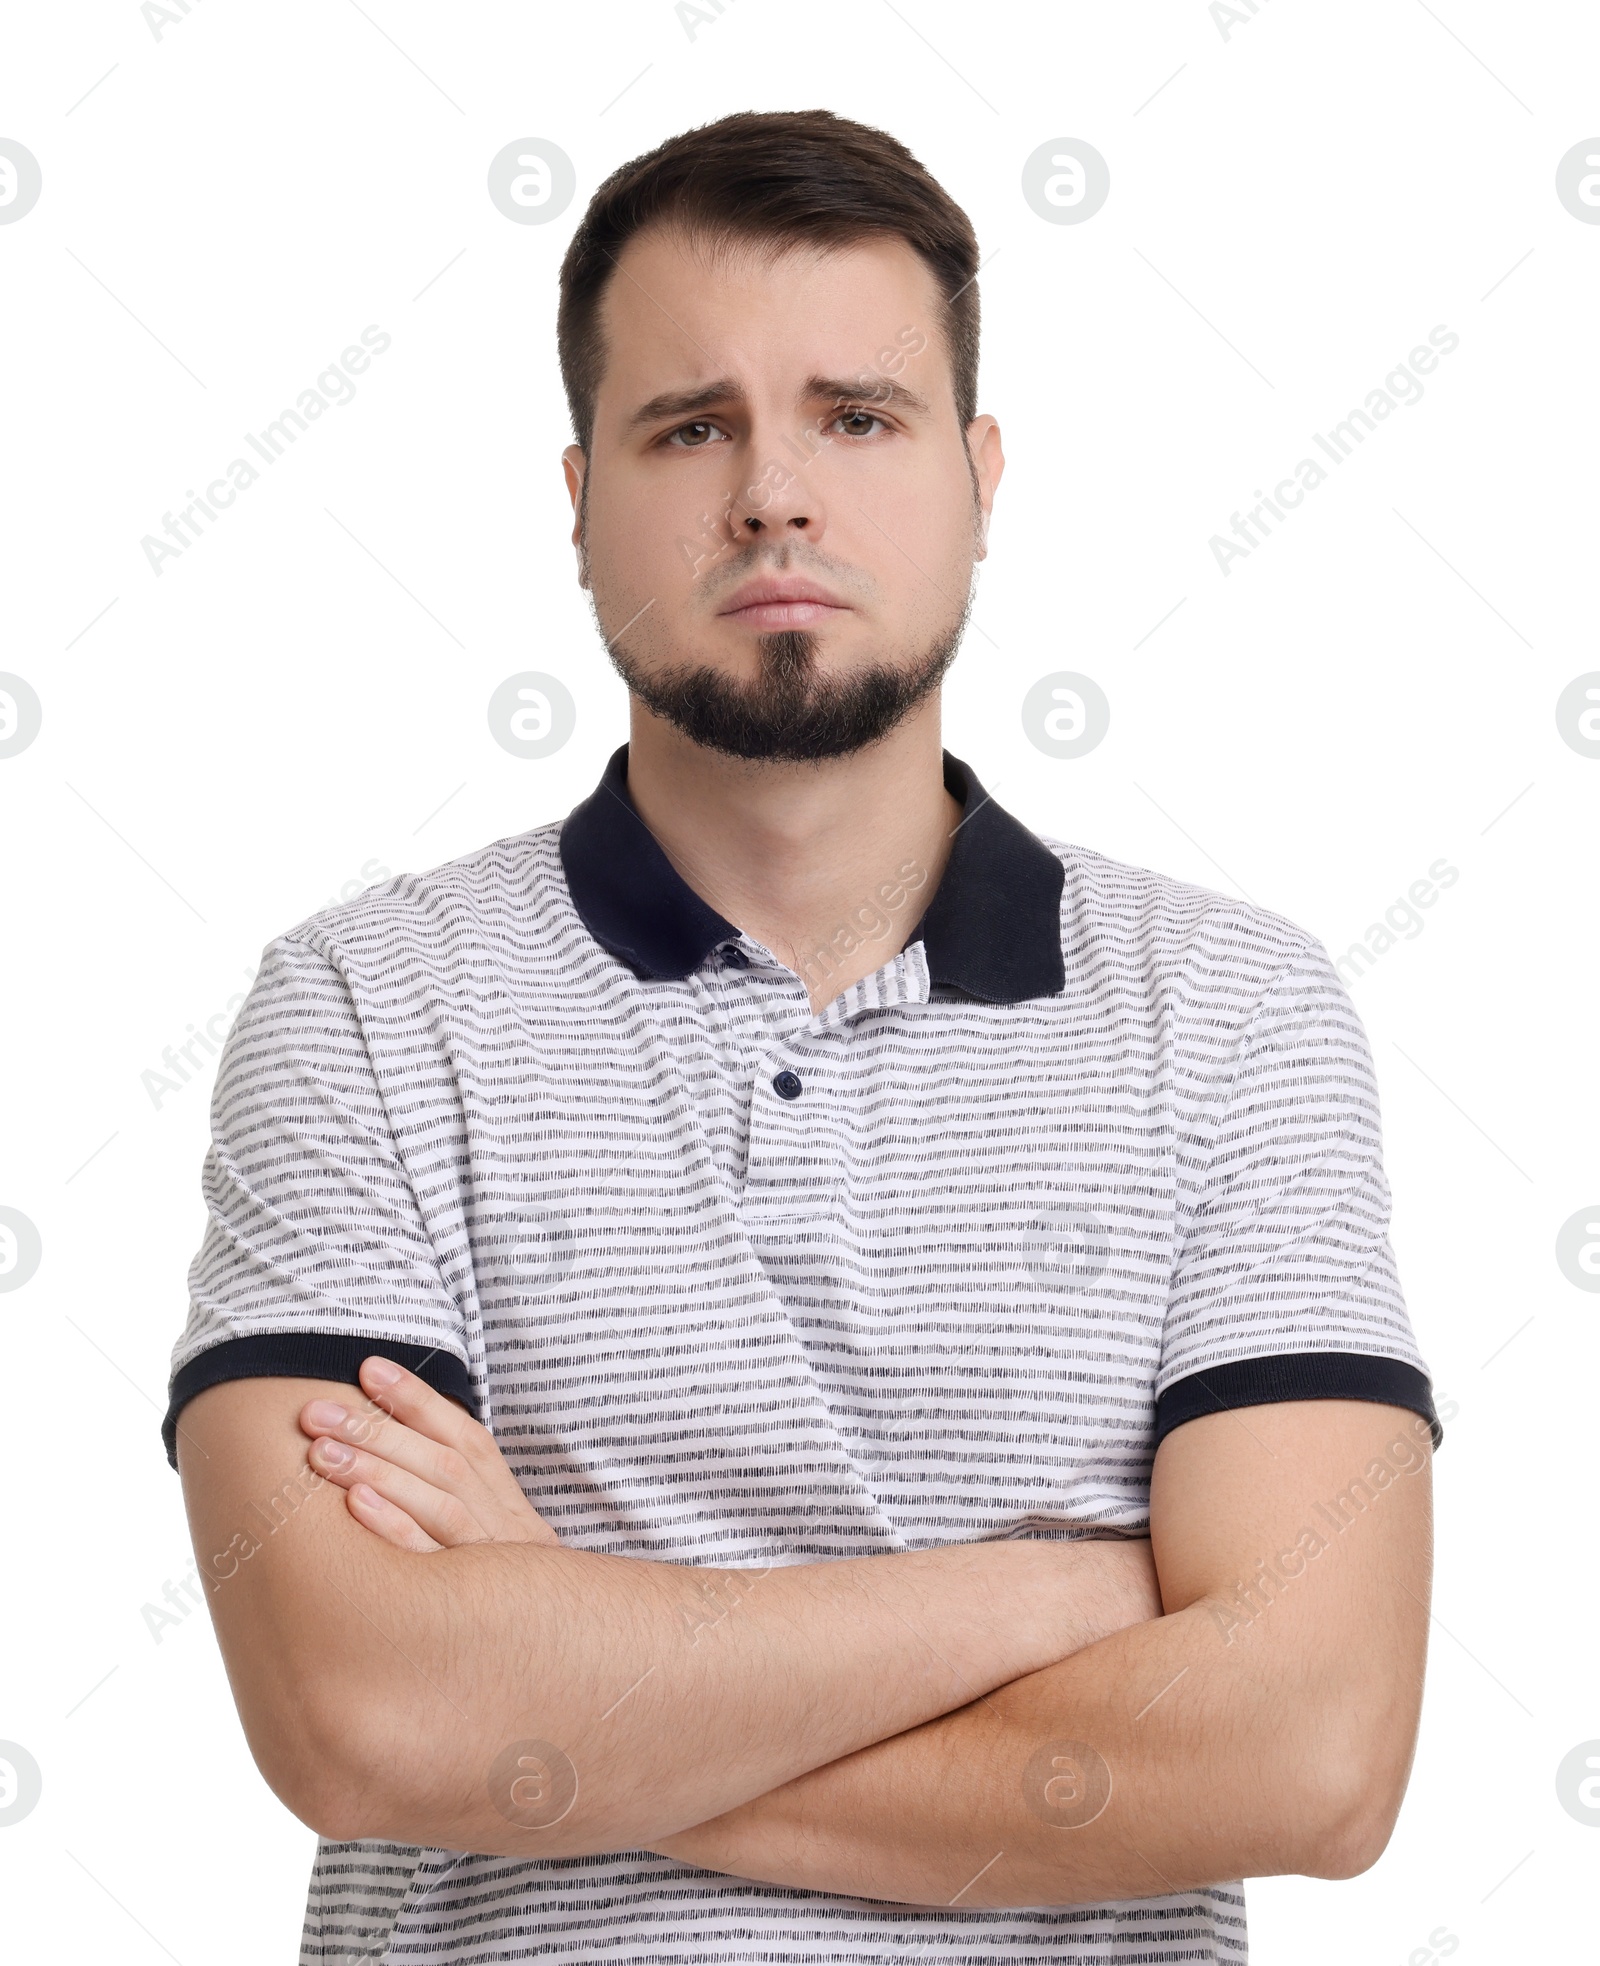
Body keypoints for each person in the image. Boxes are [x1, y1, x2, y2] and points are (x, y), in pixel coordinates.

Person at [165, 109, 1439, 1966]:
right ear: (583, 491)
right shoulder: (370, 1006)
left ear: (981, 479)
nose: (774, 492)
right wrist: (1062, 1595)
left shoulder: (1234, 1018)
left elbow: (1313, 1755)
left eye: (857, 415)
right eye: (694, 428)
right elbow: (366, 1718)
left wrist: (563, 1652)